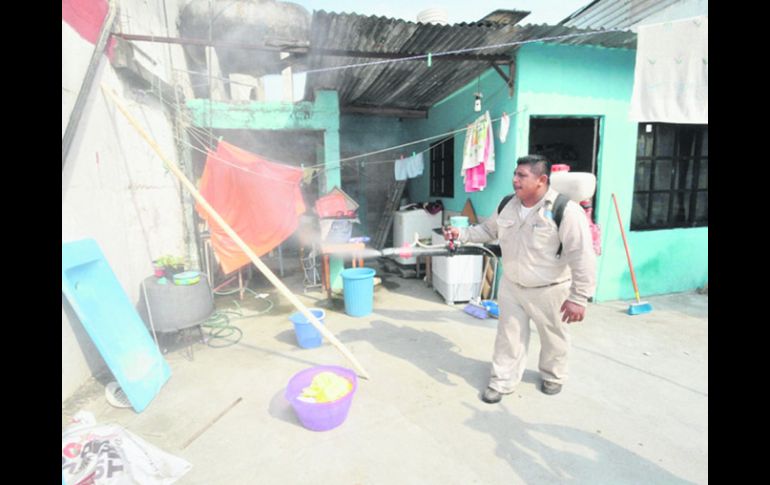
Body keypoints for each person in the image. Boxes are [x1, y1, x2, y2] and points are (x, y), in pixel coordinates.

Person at [444, 155, 596, 403]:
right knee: (508, 336)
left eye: (522, 175)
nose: (515, 180)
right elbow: (488, 230)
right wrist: (461, 234)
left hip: (550, 289)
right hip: (512, 286)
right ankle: (502, 381)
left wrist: (579, 297)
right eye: (515, 174)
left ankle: (554, 375)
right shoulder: (507, 204)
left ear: (541, 180)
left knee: (553, 336)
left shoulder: (565, 210)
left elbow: (582, 255)